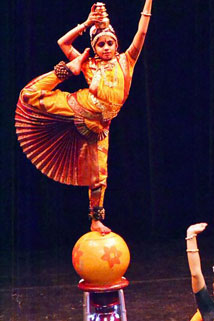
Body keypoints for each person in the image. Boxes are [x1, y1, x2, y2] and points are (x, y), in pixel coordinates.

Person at [15, 1, 154, 234]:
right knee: (28, 95)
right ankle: (69, 69)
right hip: (77, 106)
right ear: (94, 47)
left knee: (99, 177)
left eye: (110, 43)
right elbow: (63, 42)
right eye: (101, 44)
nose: (107, 47)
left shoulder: (126, 61)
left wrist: (148, 3)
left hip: (99, 127)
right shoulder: (90, 63)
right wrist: (87, 24)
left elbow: (141, 31)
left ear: (117, 45)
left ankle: (96, 220)